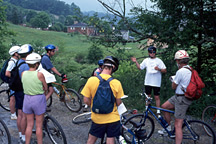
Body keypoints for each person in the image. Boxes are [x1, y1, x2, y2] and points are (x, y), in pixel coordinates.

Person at [81, 56, 124, 144]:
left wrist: (94, 104)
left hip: (97, 117)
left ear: (103, 66)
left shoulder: (91, 80)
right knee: (110, 139)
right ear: (113, 68)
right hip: (112, 118)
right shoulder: (116, 83)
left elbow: (86, 100)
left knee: (91, 140)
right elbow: (118, 102)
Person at [158, 50, 192, 144]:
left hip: (182, 99)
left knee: (178, 124)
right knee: (164, 106)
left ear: (178, 61)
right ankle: (168, 126)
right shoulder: (190, 69)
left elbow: (173, 86)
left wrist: (173, 80)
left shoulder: (181, 71)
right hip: (178, 96)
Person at [131, 46, 167, 115]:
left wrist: (159, 69)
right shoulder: (146, 60)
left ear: (155, 52)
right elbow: (140, 67)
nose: (152, 53)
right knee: (148, 96)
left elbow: (165, 70)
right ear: (148, 53)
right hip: (148, 81)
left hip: (156, 82)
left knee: (157, 96)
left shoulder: (159, 61)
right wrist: (136, 62)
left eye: (153, 52)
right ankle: (147, 109)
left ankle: (158, 110)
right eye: (150, 52)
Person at [22, 53, 48, 144]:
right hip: (38, 100)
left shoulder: (23, 73)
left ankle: (27, 142)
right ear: (37, 64)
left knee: (29, 125)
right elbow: (46, 88)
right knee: (39, 126)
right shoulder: (40, 74)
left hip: (27, 99)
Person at [15, 44, 33, 143]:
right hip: (23, 91)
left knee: (20, 114)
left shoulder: (19, 62)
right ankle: (23, 136)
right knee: (24, 115)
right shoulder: (26, 65)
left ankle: (20, 133)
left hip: (17, 91)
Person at [5, 46, 20, 120]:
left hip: (14, 82)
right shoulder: (12, 62)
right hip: (13, 82)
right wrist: (15, 78)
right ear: (15, 53)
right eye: (18, 52)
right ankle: (13, 114)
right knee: (12, 97)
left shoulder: (15, 60)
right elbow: (7, 73)